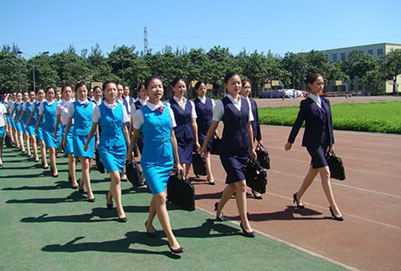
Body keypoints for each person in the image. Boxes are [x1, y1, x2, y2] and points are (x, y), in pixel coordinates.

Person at [127, 76, 184, 254]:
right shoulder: (140, 113)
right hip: (150, 161)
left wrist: (178, 162)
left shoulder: (168, 109)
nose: (157, 90)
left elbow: (172, 136)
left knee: (158, 196)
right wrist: (129, 156)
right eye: (153, 87)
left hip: (167, 159)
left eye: (160, 87)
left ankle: (149, 223)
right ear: (146, 90)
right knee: (161, 196)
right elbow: (135, 137)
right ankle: (171, 238)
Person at [201, 72, 256, 238]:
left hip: (243, 149)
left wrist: (252, 148)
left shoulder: (246, 102)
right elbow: (213, 126)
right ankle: (244, 221)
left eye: (239, 83)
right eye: (233, 83)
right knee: (241, 185)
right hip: (228, 151)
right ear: (226, 85)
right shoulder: (221, 104)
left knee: (233, 185)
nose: (237, 86)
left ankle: (219, 209)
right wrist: (205, 145)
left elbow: (249, 127)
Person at [284, 72, 343, 221]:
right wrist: (290, 141)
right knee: (326, 172)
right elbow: (298, 123)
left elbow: (329, 124)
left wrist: (331, 143)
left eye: (322, 83)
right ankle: (333, 207)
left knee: (313, 171)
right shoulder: (306, 104)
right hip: (313, 143)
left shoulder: (326, 102)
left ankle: (298, 196)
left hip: (324, 143)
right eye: (318, 83)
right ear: (310, 85)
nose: (321, 86)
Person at [85, 81, 130, 221]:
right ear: (103, 92)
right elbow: (93, 128)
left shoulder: (121, 107)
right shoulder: (98, 109)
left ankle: (110, 196)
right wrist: (88, 144)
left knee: (115, 177)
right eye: (109, 90)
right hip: (106, 146)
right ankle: (120, 209)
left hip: (120, 146)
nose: (112, 92)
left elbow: (125, 129)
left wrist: (130, 147)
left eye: (114, 89)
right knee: (116, 177)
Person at [65, 83, 96, 202]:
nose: (82, 94)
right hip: (78, 136)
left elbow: (95, 123)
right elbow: (69, 122)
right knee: (85, 164)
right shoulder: (73, 106)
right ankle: (90, 192)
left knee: (90, 164)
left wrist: (97, 137)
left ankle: (82, 183)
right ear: (76, 93)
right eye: (80, 91)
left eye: (84, 91)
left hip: (90, 135)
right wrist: (65, 137)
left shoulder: (92, 105)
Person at [166, 78, 200, 179]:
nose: (182, 89)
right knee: (181, 164)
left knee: (188, 163)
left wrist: (196, 140)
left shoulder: (190, 104)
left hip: (188, 137)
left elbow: (193, 122)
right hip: (176, 138)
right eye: (179, 87)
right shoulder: (169, 105)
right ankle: (181, 183)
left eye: (183, 87)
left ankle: (182, 182)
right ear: (173, 88)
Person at [240, 79, 263, 199]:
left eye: (249, 87)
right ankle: (238, 184)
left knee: (253, 162)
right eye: (245, 87)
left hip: (252, 135)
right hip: (242, 136)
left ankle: (254, 187)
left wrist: (259, 137)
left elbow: (256, 121)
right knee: (243, 162)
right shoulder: (238, 102)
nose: (247, 90)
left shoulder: (253, 102)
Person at [193, 81, 215, 185]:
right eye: (201, 88)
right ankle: (210, 175)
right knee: (205, 153)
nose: (203, 90)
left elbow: (214, 116)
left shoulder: (211, 101)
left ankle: (198, 168)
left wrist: (215, 130)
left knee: (204, 152)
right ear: (196, 90)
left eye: (204, 88)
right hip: (200, 131)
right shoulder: (194, 103)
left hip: (209, 131)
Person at [35, 87, 60, 177]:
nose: (50, 95)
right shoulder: (43, 105)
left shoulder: (58, 104)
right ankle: (54, 168)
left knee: (56, 149)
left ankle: (52, 162)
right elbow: (40, 117)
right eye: (49, 93)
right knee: (51, 149)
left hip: (57, 129)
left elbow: (60, 118)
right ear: (46, 94)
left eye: (52, 93)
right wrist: (37, 127)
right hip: (47, 130)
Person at [57, 86, 78, 188]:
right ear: (62, 93)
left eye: (69, 91)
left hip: (77, 129)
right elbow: (59, 120)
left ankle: (71, 172)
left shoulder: (76, 104)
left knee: (77, 156)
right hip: (66, 130)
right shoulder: (60, 105)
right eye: (65, 92)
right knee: (72, 155)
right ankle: (74, 179)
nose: (68, 93)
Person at [27, 89, 48, 169]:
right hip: (39, 125)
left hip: (47, 125)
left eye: (42, 93)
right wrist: (28, 124)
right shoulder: (34, 105)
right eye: (39, 94)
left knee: (46, 145)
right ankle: (44, 161)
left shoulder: (47, 103)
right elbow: (31, 115)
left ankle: (44, 157)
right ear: (37, 95)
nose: (41, 95)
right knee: (42, 143)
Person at [21, 91, 38, 161]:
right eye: (30, 95)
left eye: (33, 95)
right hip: (29, 123)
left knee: (39, 140)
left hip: (36, 123)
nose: (32, 96)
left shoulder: (38, 104)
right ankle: (35, 155)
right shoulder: (26, 104)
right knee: (32, 137)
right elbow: (23, 113)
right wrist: (21, 120)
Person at [0, 97, 8, 167]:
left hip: (1, 125)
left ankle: (0, 155)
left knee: (1, 142)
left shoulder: (2, 106)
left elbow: (4, 116)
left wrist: (7, 127)